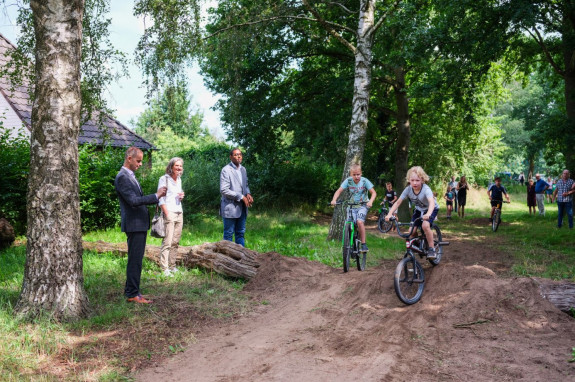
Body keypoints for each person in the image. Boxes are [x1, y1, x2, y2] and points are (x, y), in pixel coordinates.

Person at [115, 147, 167, 304]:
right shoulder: (122, 177)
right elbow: (133, 201)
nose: (140, 164)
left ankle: (132, 290)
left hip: (138, 224)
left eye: (141, 161)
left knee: (136, 259)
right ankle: (132, 294)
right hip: (134, 224)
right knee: (135, 260)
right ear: (129, 158)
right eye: (138, 161)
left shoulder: (130, 175)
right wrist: (155, 196)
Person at [385, 166, 440, 259]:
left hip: (431, 209)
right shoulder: (408, 189)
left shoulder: (426, 189)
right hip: (419, 210)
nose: (414, 183)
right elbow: (398, 202)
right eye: (412, 180)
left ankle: (431, 248)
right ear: (409, 180)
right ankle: (419, 244)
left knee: (425, 226)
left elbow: (431, 202)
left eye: (417, 180)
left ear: (422, 180)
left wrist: (428, 214)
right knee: (411, 232)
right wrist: (389, 214)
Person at [331, 163, 377, 252]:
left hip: (363, 205)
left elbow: (374, 193)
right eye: (354, 175)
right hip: (351, 205)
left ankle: (363, 244)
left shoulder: (364, 181)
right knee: (348, 222)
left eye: (358, 174)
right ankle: (348, 244)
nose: (356, 177)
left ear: (361, 173)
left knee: (359, 222)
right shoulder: (348, 181)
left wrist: (370, 201)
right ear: (351, 175)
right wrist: (334, 200)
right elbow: (339, 191)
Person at [158, 157, 185, 277]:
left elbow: (176, 196)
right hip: (169, 213)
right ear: (171, 167)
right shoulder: (164, 179)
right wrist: (166, 213)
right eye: (177, 166)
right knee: (167, 242)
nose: (179, 168)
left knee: (175, 242)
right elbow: (161, 198)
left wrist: (181, 196)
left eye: (180, 166)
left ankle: (172, 266)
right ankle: (164, 268)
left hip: (179, 212)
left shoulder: (179, 179)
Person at [220, 148, 253, 246]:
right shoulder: (226, 170)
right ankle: (227, 259)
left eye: (240, 154)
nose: (238, 156)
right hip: (230, 207)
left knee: (240, 233)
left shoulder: (243, 169)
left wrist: (248, 194)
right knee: (228, 234)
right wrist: (241, 196)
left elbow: (245, 185)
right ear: (230, 157)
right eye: (235, 155)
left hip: (242, 207)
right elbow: (224, 190)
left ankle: (242, 258)